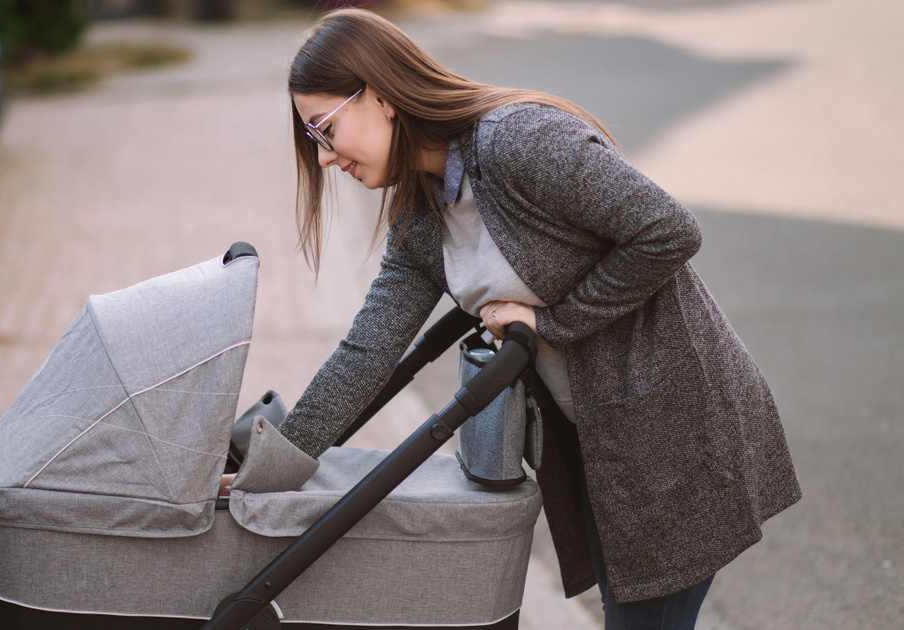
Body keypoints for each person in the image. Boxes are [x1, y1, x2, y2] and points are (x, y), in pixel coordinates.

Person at [226, 8, 802, 630]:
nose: (326, 157)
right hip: (597, 447)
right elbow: (368, 352)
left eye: (325, 129)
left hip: (672, 427)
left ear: (381, 98)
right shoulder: (421, 219)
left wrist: (550, 323)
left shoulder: (515, 140)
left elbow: (667, 230)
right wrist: (272, 471)